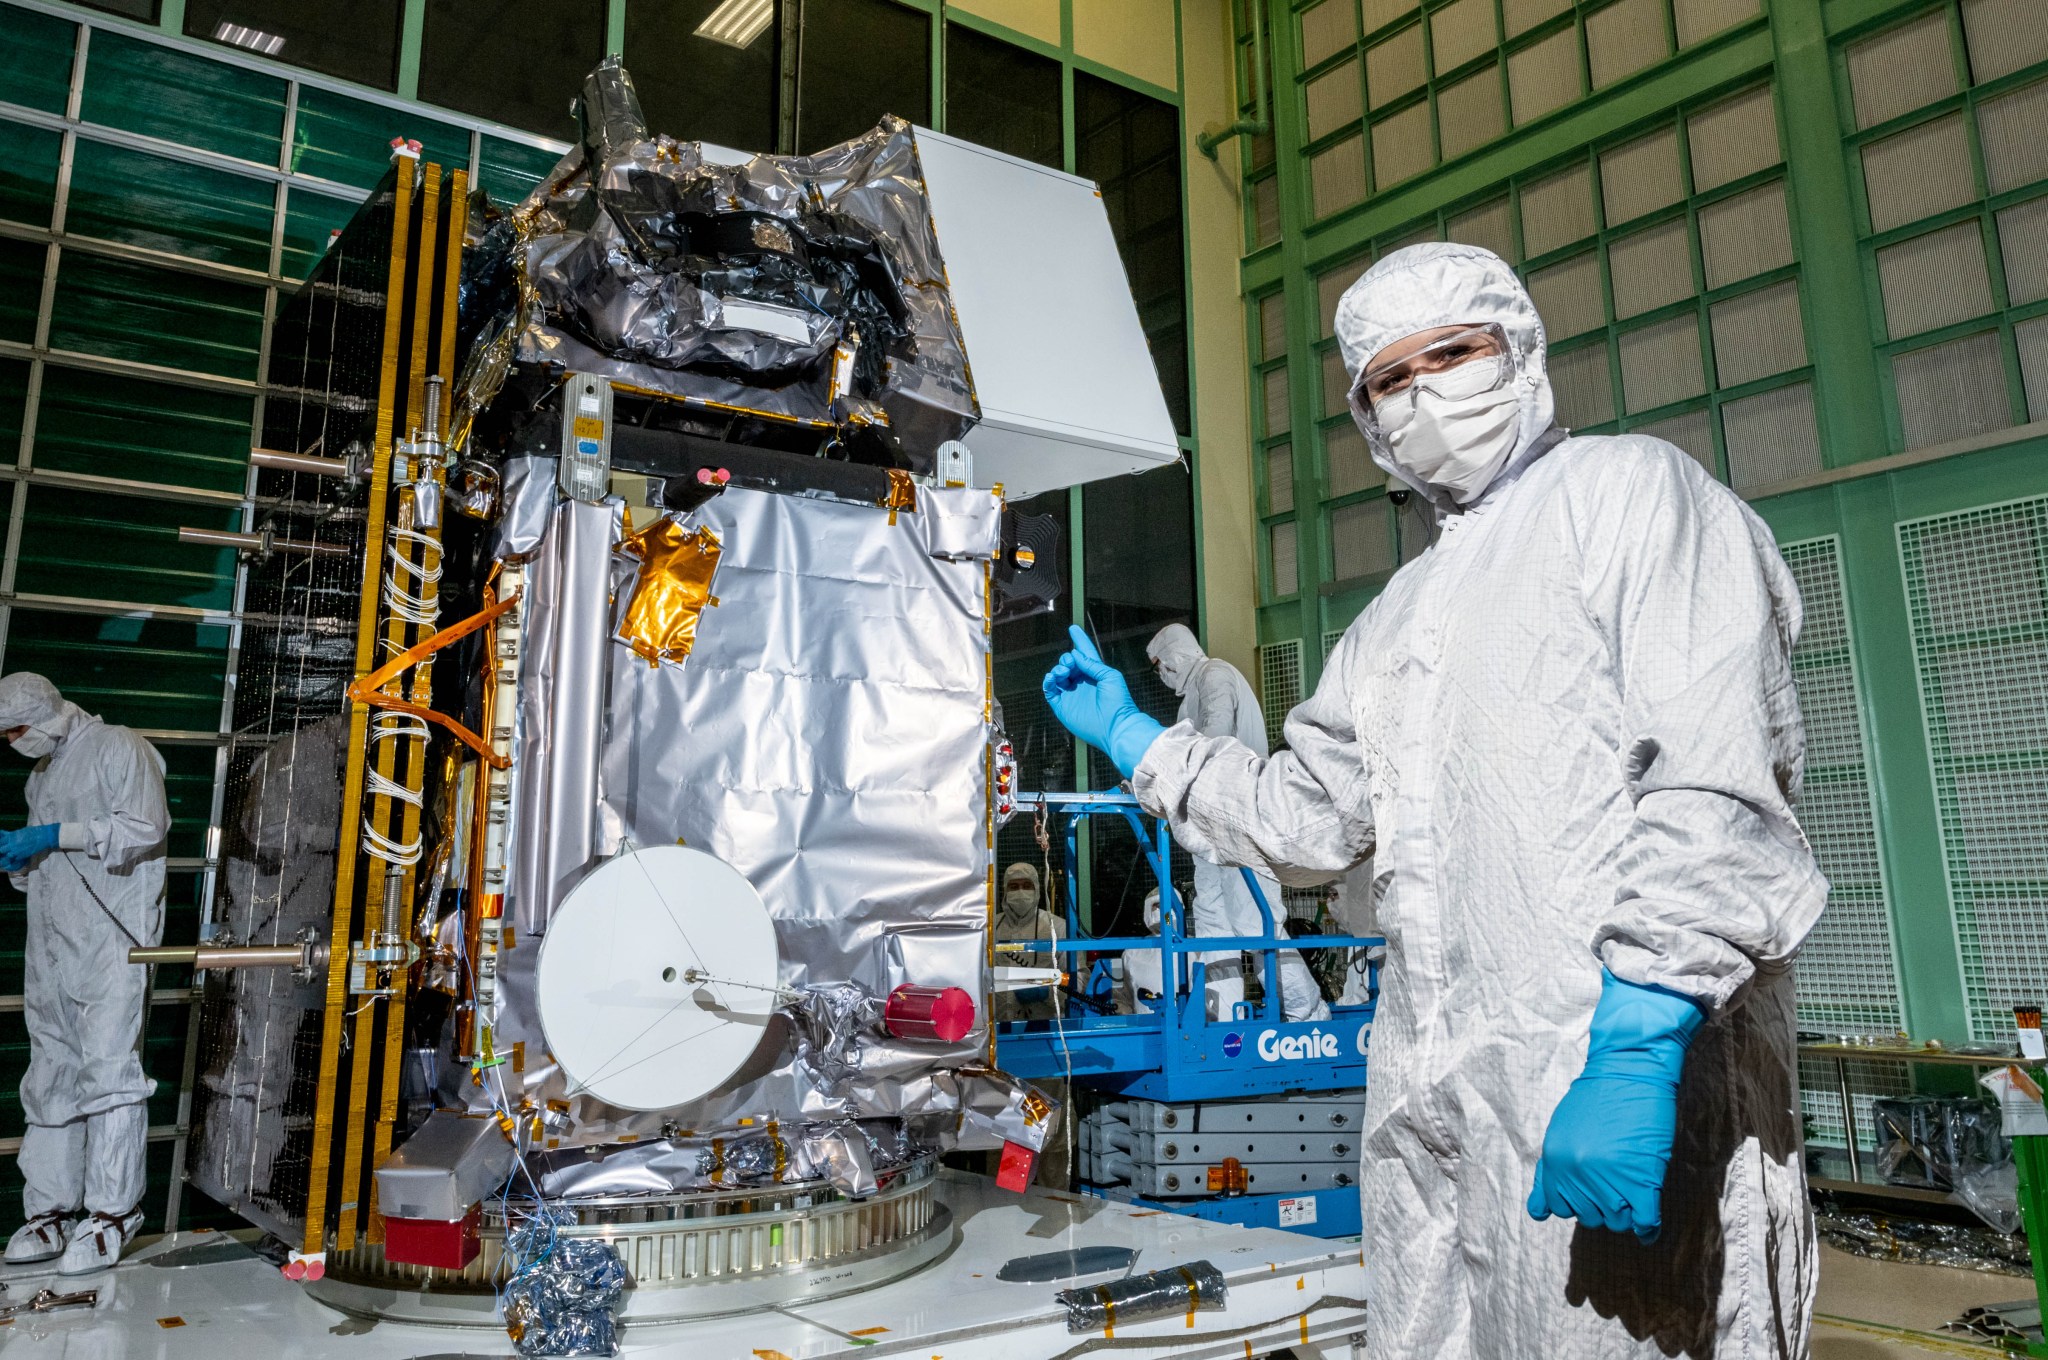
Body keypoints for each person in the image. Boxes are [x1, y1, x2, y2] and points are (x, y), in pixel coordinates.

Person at [1043, 243, 1826, 1359]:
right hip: (1431, 1104)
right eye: (1385, 381)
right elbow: (1305, 819)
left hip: (1608, 1089)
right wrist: (1134, 736)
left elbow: (1712, 777)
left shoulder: (1630, 495)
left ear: (1519, 355)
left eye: (1451, 354)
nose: (1421, 394)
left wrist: (1638, 1038)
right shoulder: (1397, 620)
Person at [0, 673, 170, 1274]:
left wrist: (54, 835)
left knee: (108, 1071)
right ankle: (48, 1213)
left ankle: (113, 1213)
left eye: (18, 729)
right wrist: (21, 858)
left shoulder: (119, 746)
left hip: (111, 943)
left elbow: (146, 829)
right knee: (49, 1073)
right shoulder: (40, 773)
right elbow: (49, 864)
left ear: (45, 716)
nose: (14, 740)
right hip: (49, 944)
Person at [1145, 625, 1328, 1023]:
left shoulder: (1216, 676)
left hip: (1243, 817)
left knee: (1255, 921)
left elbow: (1216, 735)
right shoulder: (1187, 701)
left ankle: (1308, 1013)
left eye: (1161, 664)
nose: (1162, 673)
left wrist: (1171, 771)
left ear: (1176, 653)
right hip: (1207, 825)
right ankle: (1221, 1018)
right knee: (1212, 919)